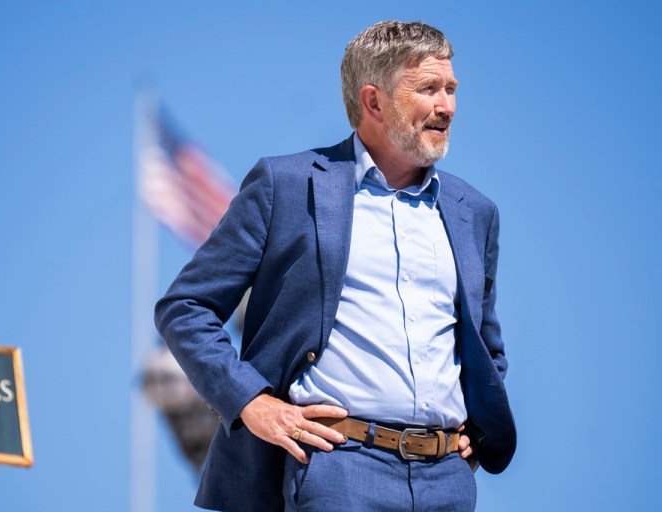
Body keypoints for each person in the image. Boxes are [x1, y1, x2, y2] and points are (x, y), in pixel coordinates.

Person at [155, 20, 516, 511]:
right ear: (373, 102)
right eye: (428, 88)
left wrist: (478, 424)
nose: (446, 106)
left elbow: (484, 343)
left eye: (451, 89)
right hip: (337, 467)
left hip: (449, 479)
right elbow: (186, 306)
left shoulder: (474, 212)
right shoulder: (286, 184)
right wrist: (250, 402)